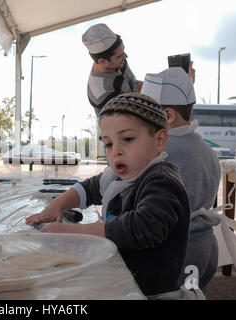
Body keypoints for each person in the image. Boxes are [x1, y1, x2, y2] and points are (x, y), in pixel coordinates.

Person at [26, 93, 196, 298]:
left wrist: (75, 232)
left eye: (127, 139)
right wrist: (59, 204)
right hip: (124, 281)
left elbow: (142, 227)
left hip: (150, 291)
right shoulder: (120, 176)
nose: (116, 151)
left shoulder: (162, 182)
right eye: (108, 144)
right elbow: (91, 188)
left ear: (159, 140)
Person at [141, 67, 221, 293]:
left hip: (181, 251)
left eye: (143, 117)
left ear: (167, 116)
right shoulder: (206, 149)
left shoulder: (162, 150)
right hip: (206, 246)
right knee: (194, 295)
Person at [82, 23, 142, 118]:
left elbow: (134, 85)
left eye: (123, 51)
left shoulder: (117, 61)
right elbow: (130, 119)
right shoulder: (103, 93)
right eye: (119, 56)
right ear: (103, 62)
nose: (125, 56)